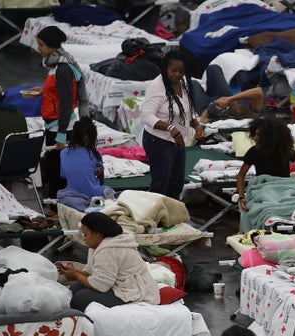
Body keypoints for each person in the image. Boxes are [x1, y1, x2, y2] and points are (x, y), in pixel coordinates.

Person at [57, 212, 160, 310]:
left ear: (97, 234)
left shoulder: (108, 250)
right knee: (75, 288)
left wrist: (76, 275)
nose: (84, 238)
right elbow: (90, 273)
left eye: (85, 234)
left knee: (80, 298)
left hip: (135, 293)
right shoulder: (97, 246)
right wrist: (72, 271)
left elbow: (100, 286)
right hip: (115, 285)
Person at [142, 49, 205, 199]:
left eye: (181, 71)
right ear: (165, 68)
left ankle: (172, 217)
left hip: (177, 140)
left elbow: (186, 110)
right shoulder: (157, 86)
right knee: (160, 185)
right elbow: (147, 116)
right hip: (158, 141)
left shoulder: (182, 83)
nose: (177, 74)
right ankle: (156, 218)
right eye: (173, 70)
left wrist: (196, 125)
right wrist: (170, 128)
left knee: (177, 184)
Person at [35, 25, 89, 198]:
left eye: (41, 45)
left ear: (52, 46)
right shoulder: (55, 65)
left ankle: (58, 205)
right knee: (52, 167)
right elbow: (58, 93)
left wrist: (60, 134)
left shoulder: (63, 69)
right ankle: (55, 202)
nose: (39, 48)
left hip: (61, 126)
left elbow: (66, 102)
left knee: (57, 170)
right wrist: (44, 91)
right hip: (54, 124)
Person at [236, 117, 295, 212]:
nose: (255, 138)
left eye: (259, 135)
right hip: (263, 189)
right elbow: (241, 176)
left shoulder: (282, 151)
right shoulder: (254, 152)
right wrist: (242, 197)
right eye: (255, 134)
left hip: (284, 188)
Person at [60, 117, 114, 199]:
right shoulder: (94, 155)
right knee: (111, 193)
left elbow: (64, 175)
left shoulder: (63, 153)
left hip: (72, 195)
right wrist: (100, 173)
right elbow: (101, 182)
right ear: (87, 138)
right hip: (94, 194)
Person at [192, 64, 263, 124]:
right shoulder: (253, 118)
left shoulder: (221, 123)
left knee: (193, 83)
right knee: (213, 68)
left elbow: (203, 121)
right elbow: (258, 92)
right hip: (228, 99)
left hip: (208, 108)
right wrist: (230, 99)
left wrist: (212, 106)